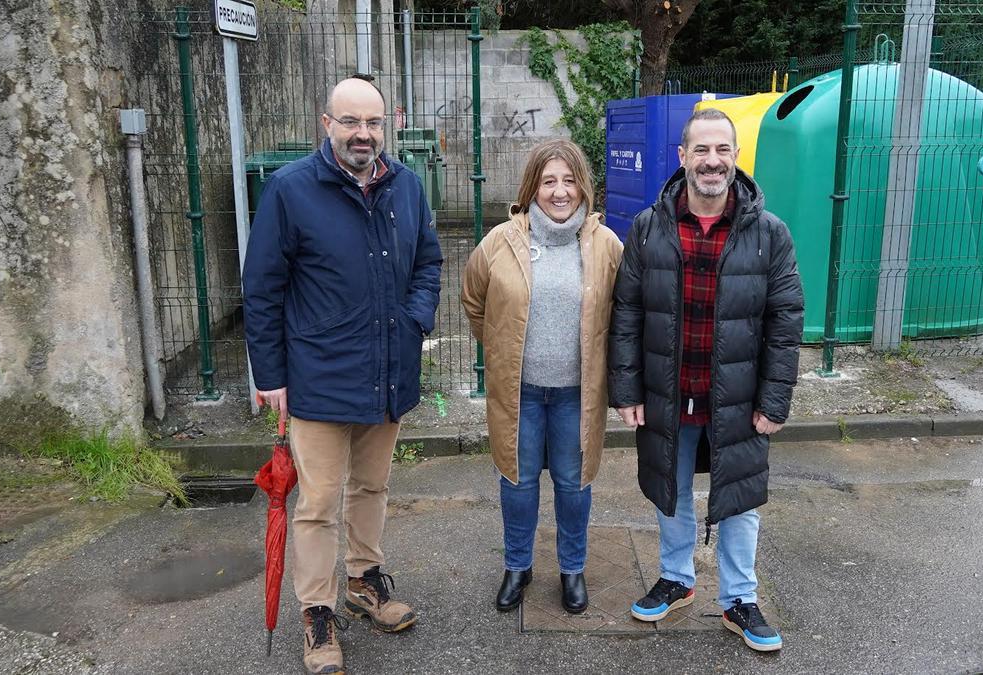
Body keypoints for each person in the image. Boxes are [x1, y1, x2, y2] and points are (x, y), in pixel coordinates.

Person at [242, 76, 443, 675]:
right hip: (319, 377)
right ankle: (317, 613)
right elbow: (262, 289)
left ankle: (363, 581)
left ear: (389, 125)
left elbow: (428, 261)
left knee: (373, 488)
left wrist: (415, 321)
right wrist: (270, 373)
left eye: (374, 123)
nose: (364, 134)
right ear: (325, 123)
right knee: (319, 502)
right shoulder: (289, 190)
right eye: (351, 122)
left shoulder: (406, 186)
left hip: (388, 372)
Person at [608, 107, 803, 652]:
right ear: (682, 157)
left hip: (738, 397)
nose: (711, 162)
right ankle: (677, 578)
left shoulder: (769, 234)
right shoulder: (650, 228)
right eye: (701, 150)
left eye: (722, 150)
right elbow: (626, 314)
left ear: (735, 158)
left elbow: (786, 321)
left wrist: (775, 399)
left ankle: (739, 598)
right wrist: (626, 389)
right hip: (667, 391)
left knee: (739, 498)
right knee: (669, 490)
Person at [461, 139, 623, 615]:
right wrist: (504, 348)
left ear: (583, 187)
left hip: (578, 394)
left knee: (573, 486)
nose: (559, 192)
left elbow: (625, 310)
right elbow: (474, 301)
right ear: (533, 185)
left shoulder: (605, 245)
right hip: (521, 393)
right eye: (549, 181)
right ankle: (517, 565)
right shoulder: (501, 242)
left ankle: (572, 569)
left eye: (569, 180)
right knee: (517, 482)